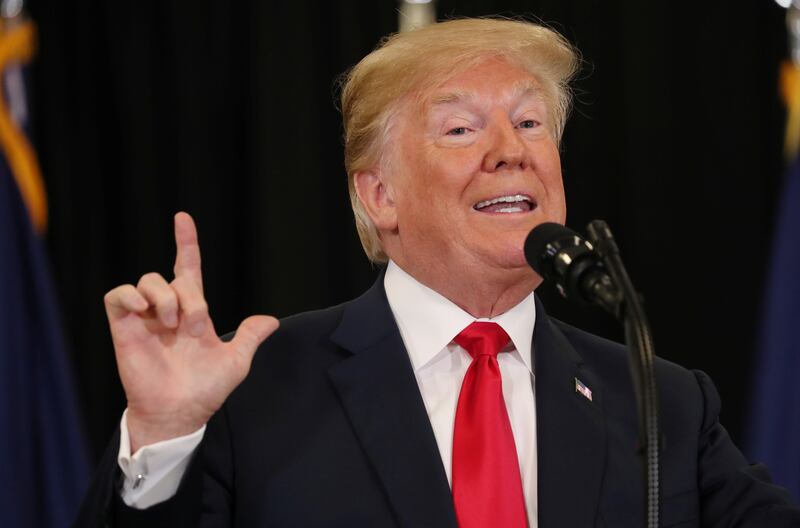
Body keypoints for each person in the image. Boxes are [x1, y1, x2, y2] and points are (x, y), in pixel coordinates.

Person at [75, 18, 799, 527]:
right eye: (460, 128)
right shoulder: (256, 391)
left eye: (530, 123)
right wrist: (167, 433)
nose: (510, 150)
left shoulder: (660, 403)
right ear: (379, 194)